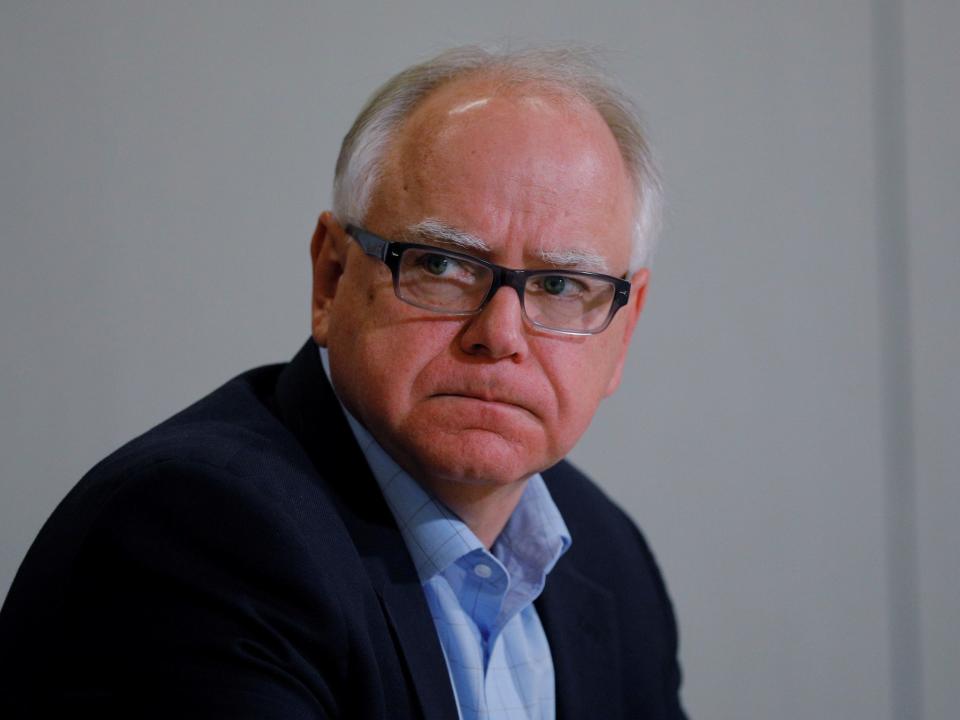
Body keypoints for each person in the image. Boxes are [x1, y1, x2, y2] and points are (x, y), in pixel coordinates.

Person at [0, 47, 686, 719]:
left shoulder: (609, 557)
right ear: (330, 278)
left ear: (624, 330)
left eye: (563, 284)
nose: (501, 334)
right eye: (442, 266)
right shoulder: (201, 533)